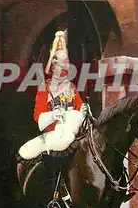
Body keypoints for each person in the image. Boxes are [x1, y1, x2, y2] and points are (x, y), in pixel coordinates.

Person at [18, 30, 88, 160]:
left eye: (67, 64)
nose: (65, 68)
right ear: (53, 66)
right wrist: (52, 115)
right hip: (53, 135)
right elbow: (38, 116)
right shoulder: (45, 88)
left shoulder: (71, 87)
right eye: (61, 64)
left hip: (73, 134)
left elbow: (79, 109)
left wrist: (84, 111)